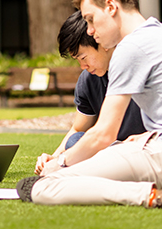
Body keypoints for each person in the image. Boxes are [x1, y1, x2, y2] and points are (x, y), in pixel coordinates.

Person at [17, 0, 162, 213]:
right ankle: (161, 193)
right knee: (85, 161)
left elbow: (103, 134)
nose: (89, 30)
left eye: (90, 19)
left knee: (42, 186)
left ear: (111, 7)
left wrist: (60, 162)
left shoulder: (130, 46)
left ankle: (156, 197)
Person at [43, 11, 146, 163]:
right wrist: (54, 157)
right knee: (75, 141)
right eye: (77, 60)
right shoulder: (88, 80)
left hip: (142, 149)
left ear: (101, 41)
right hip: (109, 151)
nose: (83, 66)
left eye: (83, 57)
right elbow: (78, 129)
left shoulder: (139, 68)